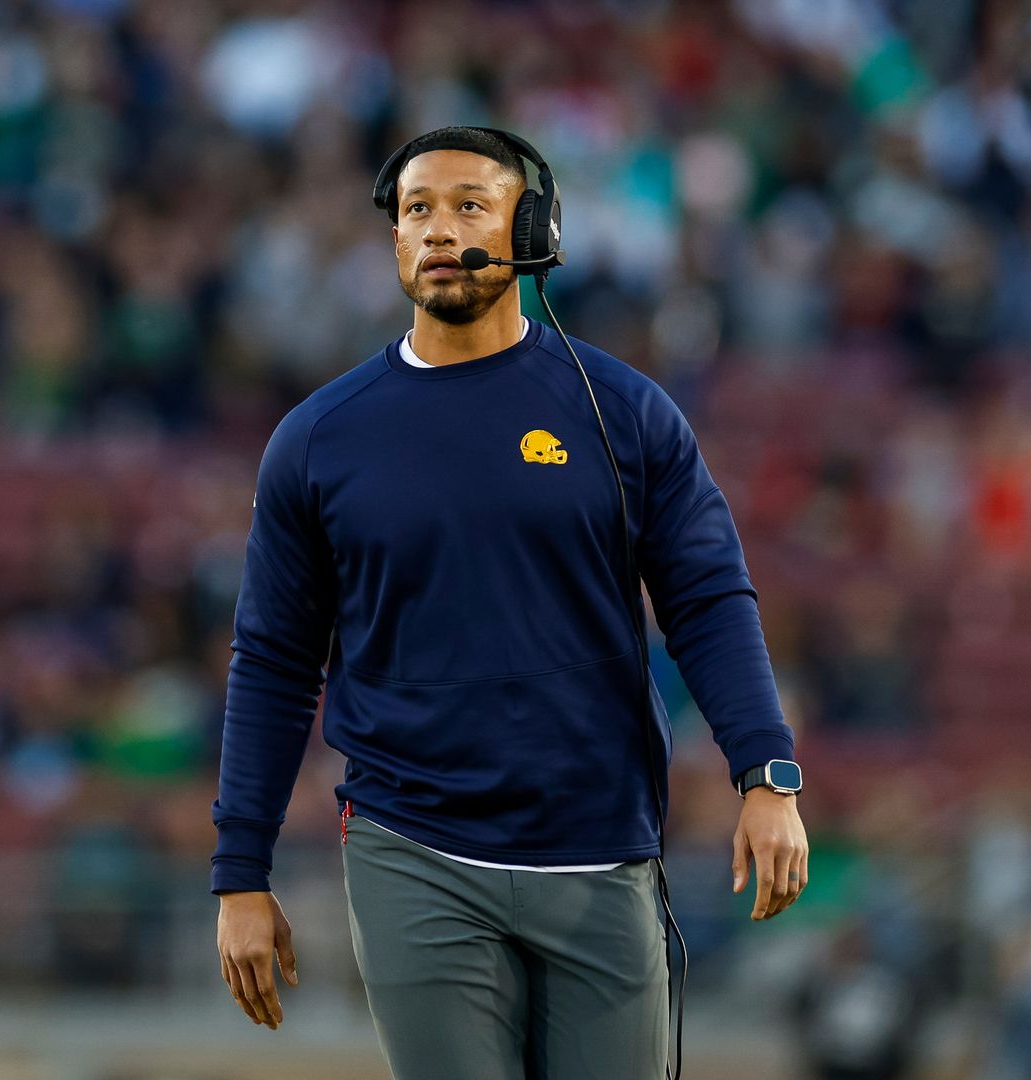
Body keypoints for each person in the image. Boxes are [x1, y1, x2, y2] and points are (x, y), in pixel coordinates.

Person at [209, 126, 809, 1079]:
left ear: (535, 228)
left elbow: (707, 598)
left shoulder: (627, 411)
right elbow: (276, 661)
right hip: (414, 843)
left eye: (469, 207)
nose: (439, 231)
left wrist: (764, 773)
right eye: (417, 211)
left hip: (601, 843)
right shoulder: (317, 440)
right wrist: (241, 871)